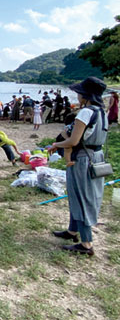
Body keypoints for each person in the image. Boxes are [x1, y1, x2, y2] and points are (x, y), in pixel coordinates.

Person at [49, 77, 108, 256]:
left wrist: (56, 145)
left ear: (86, 95)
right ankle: (72, 231)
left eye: (79, 93)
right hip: (96, 156)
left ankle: (86, 243)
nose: (77, 96)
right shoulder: (101, 112)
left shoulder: (85, 113)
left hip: (82, 159)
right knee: (82, 195)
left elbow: (73, 140)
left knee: (81, 197)